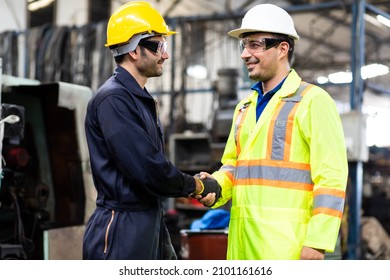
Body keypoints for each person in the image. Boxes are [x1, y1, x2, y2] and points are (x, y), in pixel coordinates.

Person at [198, 4, 348, 260]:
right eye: (244, 45)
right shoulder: (244, 108)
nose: (245, 54)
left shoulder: (313, 101)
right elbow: (233, 167)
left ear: (282, 48)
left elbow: (331, 177)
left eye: (255, 45)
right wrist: (214, 187)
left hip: (287, 247)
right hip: (242, 243)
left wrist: (317, 242)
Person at [83, 1, 219, 260]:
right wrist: (196, 185)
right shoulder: (114, 100)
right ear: (134, 49)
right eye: (159, 46)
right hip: (122, 229)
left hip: (145, 221)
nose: (165, 55)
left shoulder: (138, 98)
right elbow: (148, 169)